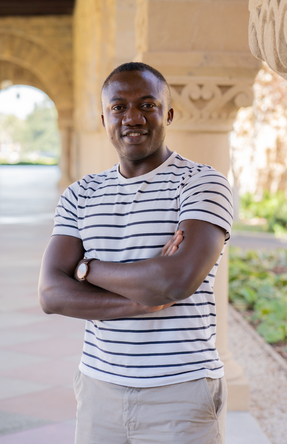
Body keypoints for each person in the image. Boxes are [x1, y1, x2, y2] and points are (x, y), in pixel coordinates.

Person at [38, 62, 233, 444]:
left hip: (180, 393)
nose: (133, 118)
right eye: (119, 107)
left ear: (169, 113)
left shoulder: (201, 183)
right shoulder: (81, 194)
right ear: (104, 117)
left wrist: (85, 269)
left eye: (147, 105)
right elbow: (50, 294)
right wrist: (143, 300)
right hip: (98, 390)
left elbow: (173, 282)